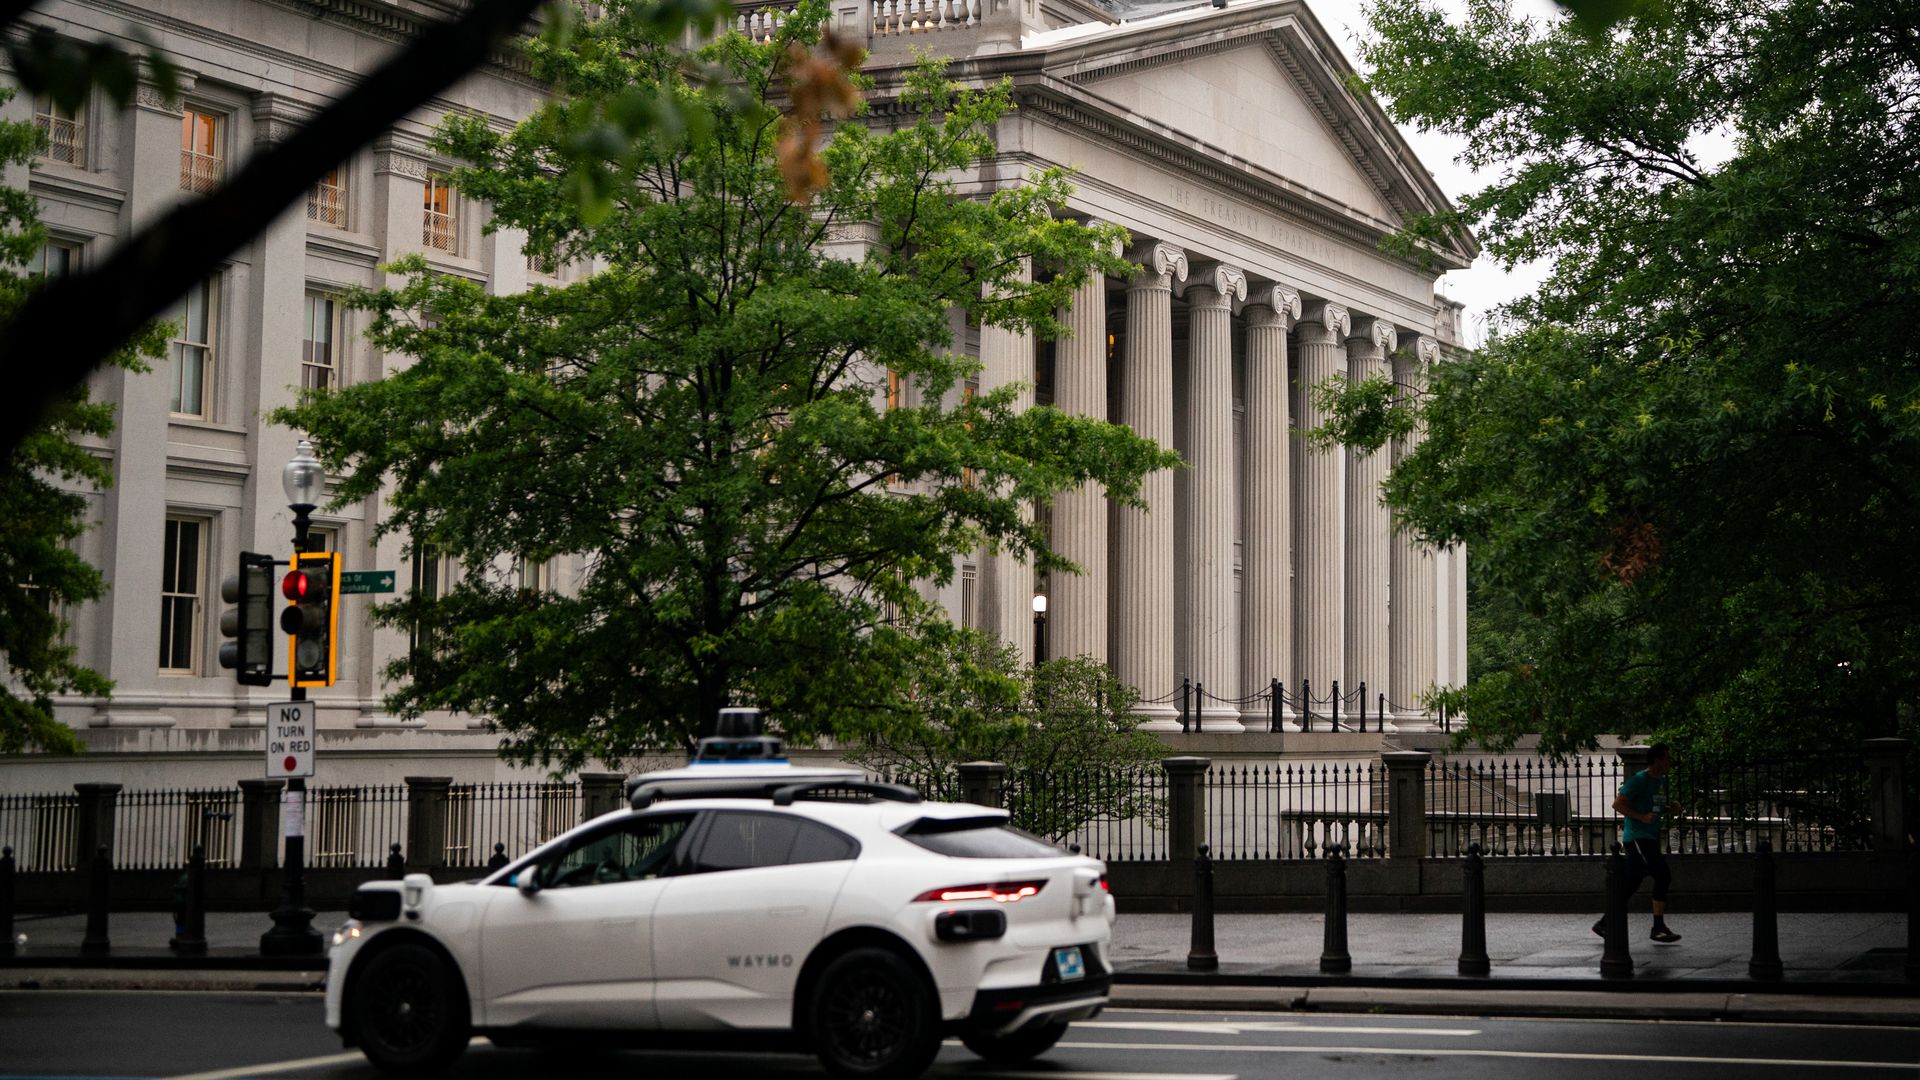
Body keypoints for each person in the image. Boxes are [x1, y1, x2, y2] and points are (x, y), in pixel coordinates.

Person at [1593, 743, 1681, 944]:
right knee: (1662, 875)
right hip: (1637, 837)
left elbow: (1655, 807)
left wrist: (1670, 808)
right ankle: (1657, 928)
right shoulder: (1639, 780)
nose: (1670, 762)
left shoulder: (1662, 781)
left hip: (1648, 836)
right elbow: (1617, 804)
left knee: (1632, 883)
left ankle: (1604, 923)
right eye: (1667, 758)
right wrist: (1641, 817)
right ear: (1657, 760)